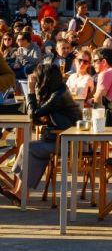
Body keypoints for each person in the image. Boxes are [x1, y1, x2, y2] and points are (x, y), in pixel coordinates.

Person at [3, 64, 81, 204]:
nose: (35, 78)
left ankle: (22, 194)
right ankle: (18, 191)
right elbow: (36, 116)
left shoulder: (59, 94)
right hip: (57, 138)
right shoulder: (54, 91)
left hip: (70, 142)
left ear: (45, 78)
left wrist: (31, 91)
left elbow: (33, 114)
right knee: (25, 147)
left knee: (30, 148)